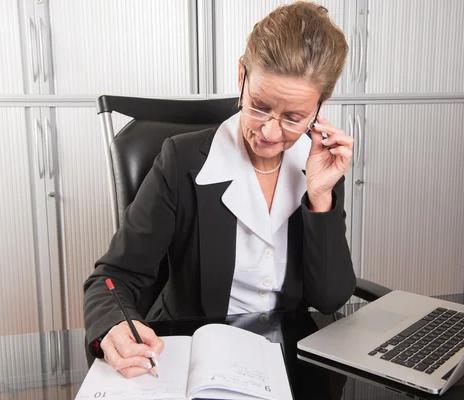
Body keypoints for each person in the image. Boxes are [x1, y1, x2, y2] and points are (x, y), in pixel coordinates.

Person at [83, 1, 356, 378]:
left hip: (287, 360)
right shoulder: (181, 160)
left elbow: (328, 299)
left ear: (318, 108)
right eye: (259, 106)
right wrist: (115, 325)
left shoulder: (318, 164)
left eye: (294, 118)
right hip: (193, 355)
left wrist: (320, 196)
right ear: (241, 75)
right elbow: (114, 277)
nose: (271, 133)